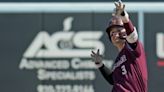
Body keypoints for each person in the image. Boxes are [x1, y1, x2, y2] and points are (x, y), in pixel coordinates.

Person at [91, 1, 148, 92]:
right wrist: (100, 65)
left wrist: (124, 18)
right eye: (112, 33)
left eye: (117, 30)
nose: (114, 34)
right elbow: (113, 80)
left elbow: (132, 36)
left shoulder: (132, 48)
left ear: (125, 32)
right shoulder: (118, 60)